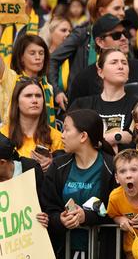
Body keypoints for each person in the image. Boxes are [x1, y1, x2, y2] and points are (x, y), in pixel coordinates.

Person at [42, 109, 117, 258]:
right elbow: (48, 207)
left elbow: (116, 209)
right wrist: (60, 219)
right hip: (65, 250)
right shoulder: (58, 166)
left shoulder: (111, 166)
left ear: (83, 136)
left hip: (102, 249)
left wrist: (86, 216)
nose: (62, 135)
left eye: (66, 130)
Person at [49, 0, 126, 110]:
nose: (122, 13)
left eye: (123, 8)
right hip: (81, 104)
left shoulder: (122, 37)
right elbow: (53, 59)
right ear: (101, 11)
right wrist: (57, 91)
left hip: (111, 103)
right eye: (117, 8)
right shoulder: (82, 34)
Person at [66, 14, 138, 106]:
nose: (123, 38)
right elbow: (74, 117)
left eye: (125, 33)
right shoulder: (83, 78)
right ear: (100, 42)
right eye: (116, 35)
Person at [69, 49, 138, 152]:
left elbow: (136, 140)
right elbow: (71, 141)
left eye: (124, 63)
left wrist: (94, 142)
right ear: (100, 72)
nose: (121, 66)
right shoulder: (82, 105)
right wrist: (116, 137)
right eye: (114, 62)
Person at [1, 79, 63, 172]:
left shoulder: (57, 137)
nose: (34, 100)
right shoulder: (2, 135)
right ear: (17, 102)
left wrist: (53, 165)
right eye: (28, 96)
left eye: (38, 96)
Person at [0, 34, 55, 127]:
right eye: (32, 53)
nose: (38, 57)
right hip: (12, 138)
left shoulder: (48, 87)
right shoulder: (11, 78)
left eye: (41, 53)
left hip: (42, 138)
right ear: (21, 58)